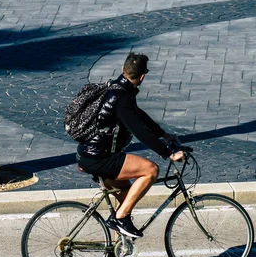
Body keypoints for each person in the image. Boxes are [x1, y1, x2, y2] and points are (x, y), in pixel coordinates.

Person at [76, 52, 184, 246]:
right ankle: (120, 218)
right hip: (101, 158)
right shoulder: (122, 98)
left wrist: (163, 134)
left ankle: (118, 251)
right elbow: (140, 131)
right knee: (151, 170)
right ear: (142, 76)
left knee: (126, 196)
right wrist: (168, 153)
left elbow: (138, 116)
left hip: (91, 154)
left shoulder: (118, 89)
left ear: (123, 71)